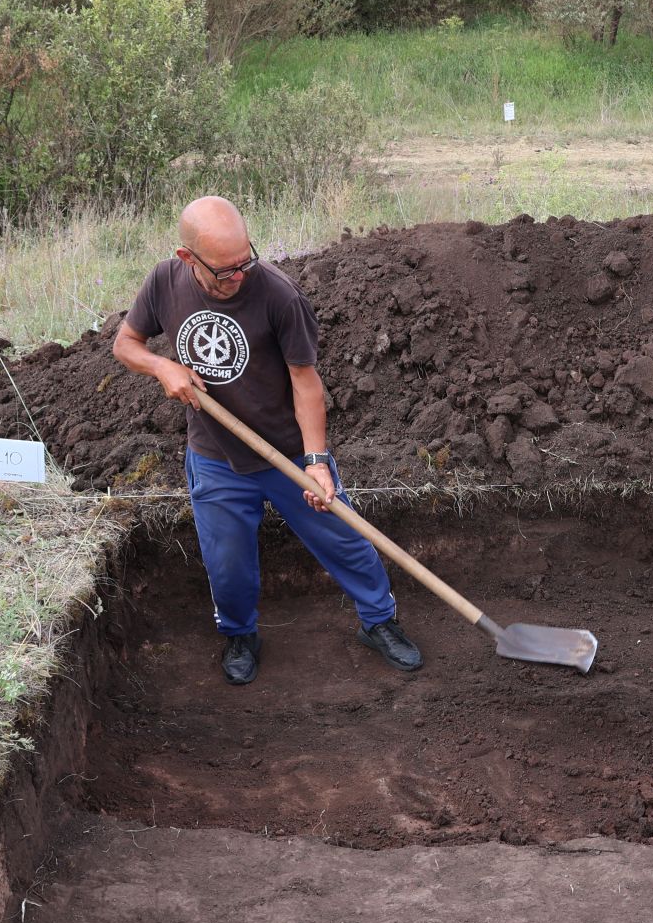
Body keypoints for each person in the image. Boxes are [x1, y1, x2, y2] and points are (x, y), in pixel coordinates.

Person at [113, 196, 423, 684]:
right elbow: (125, 344)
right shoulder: (164, 283)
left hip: (289, 453)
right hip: (215, 457)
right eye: (226, 271)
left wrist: (317, 461)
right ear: (187, 259)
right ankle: (240, 634)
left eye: (246, 261)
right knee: (227, 564)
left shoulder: (279, 295)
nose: (240, 276)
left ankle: (379, 622)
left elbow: (306, 381)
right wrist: (161, 366)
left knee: (343, 540)